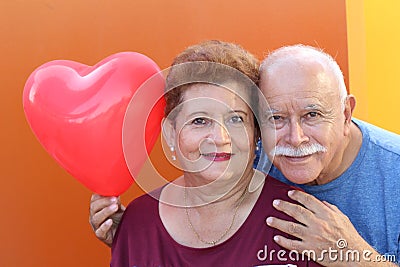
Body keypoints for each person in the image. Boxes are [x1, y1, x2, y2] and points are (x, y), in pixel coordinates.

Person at [90, 43, 400, 266]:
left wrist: (355, 256)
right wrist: (129, 237)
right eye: (276, 118)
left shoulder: (301, 217)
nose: (296, 138)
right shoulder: (143, 220)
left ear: (346, 114)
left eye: (312, 115)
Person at [105, 40, 317, 266]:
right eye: (200, 121)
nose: (220, 138)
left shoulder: (300, 219)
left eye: (236, 119)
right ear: (170, 133)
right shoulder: (138, 221)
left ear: (256, 131)